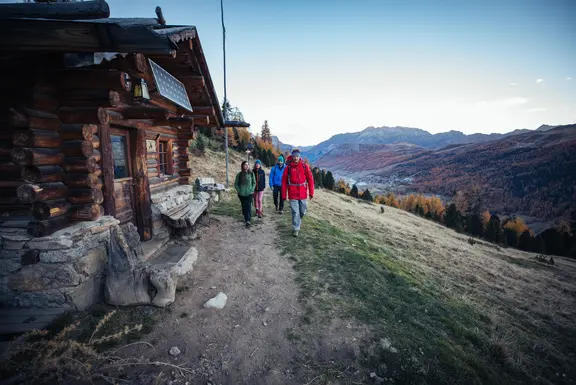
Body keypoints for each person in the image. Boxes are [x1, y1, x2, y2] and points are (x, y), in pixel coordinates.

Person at [281, 149, 314, 237]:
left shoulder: (304, 166)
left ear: (299, 157)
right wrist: (284, 195)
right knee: (295, 212)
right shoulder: (288, 168)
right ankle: (296, 228)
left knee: (302, 211)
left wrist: (311, 192)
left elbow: (310, 180)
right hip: (292, 193)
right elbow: (284, 182)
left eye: (297, 156)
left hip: (302, 193)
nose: (295, 158)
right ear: (292, 157)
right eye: (294, 156)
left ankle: (297, 222)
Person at [234, 161, 255, 227]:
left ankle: (248, 220)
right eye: (245, 165)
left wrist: (252, 190)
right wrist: (239, 190)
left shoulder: (251, 174)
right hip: (241, 194)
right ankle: (246, 216)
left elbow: (254, 183)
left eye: (248, 165)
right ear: (242, 166)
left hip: (249, 193)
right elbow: (236, 183)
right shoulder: (239, 174)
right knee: (244, 207)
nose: (247, 166)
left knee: (248, 206)